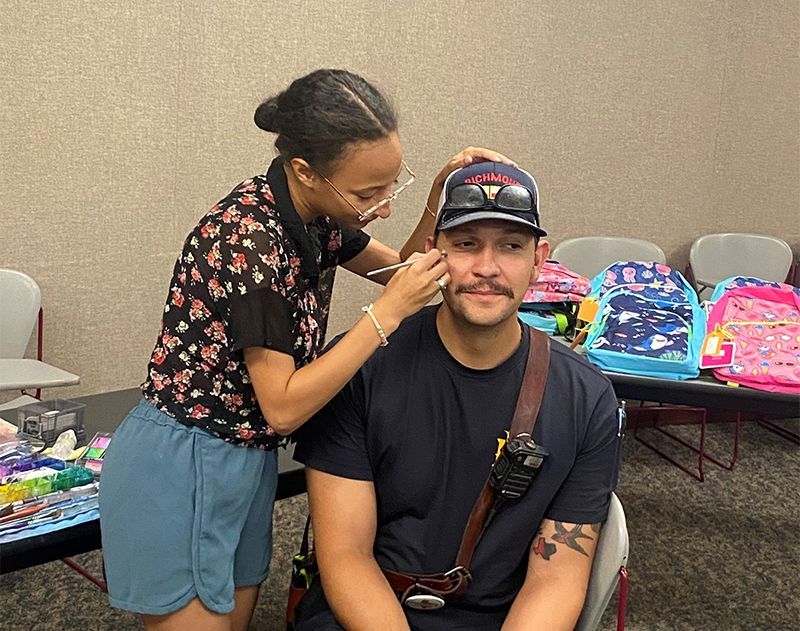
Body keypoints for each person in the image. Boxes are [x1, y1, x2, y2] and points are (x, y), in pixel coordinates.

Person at [98, 68, 514, 631]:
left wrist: (438, 201)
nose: (384, 206)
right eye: (370, 194)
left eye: (393, 186)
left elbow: (401, 268)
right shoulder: (247, 242)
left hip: (247, 456)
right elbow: (285, 406)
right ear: (306, 171)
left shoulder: (315, 214)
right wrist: (388, 313)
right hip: (186, 460)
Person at [293, 160, 623, 631]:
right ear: (432, 253)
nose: (486, 268)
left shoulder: (586, 399)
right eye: (465, 245)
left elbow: (556, 577)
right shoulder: (357, 367)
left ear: (539, 258)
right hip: (367, 612)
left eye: (510, 246)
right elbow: (345, 555)